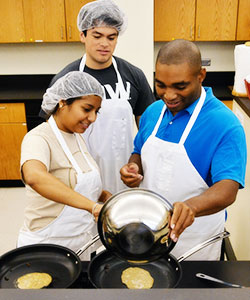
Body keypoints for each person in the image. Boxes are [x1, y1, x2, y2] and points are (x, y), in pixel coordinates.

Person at [120, 39, 247, 260]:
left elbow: (228, 189)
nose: (168, 95)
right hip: (149, 233)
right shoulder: (153, 112)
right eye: (160, 85)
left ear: (201, 76)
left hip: (195, 243)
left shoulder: (225, 124)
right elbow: (139, 150)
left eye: (180, 86)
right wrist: (133, 167)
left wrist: (191, 207)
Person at [39, 0, 155, 194]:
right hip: (79, 175)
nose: (104, 44)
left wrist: (139, 166)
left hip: (125, 174)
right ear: (82, 35)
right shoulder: (66, 79)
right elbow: (50, 134)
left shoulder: (133, 76)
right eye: (97, 35)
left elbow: (147, 128)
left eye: (111, 37)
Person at [18, 71, 111, 260]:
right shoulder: (38, 138)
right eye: (87, 109)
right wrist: (92, 207)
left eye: (96, 111)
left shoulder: (78, 138)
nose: (93, 118)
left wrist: (106, 197)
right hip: (46, 244)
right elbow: (35, 177)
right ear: (62, 102)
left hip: (81, 244)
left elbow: (77, 181)